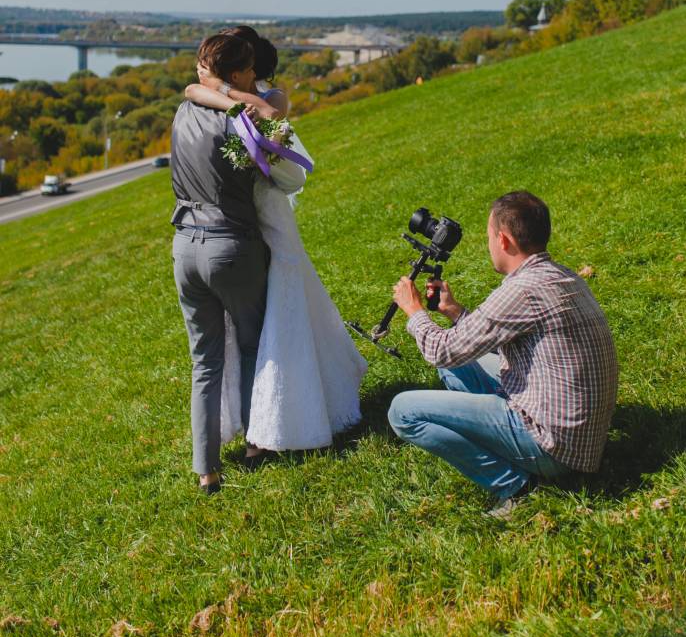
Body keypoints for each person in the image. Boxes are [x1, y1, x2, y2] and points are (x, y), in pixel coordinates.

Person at [183, 31, 367, 463]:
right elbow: (193, 88)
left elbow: (266, 111)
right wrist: (219, 89)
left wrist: (224, 88)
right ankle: (250, 422)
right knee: (244, 328)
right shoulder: (220, 101)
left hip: (267, 216)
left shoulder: (273, 98)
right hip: (238, 220)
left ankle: (280, 418)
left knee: (279, 315)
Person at [388, 191, 619, 519]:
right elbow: (501, 340)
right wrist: (454, 312)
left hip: (555, 448)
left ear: (504, 239)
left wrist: (413, 311)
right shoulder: (559, 274)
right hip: (580, 435)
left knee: (402, 412)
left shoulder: (519, 290)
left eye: (488, 238)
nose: (489, 246)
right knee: (456, 368)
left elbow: (441, 350)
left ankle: (516, 487)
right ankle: (501, 437)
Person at [171, 31, 306, 495]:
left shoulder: (184, 110)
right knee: (251, 344)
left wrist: (218, 86)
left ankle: (206, 470)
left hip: (183, 246)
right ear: (234, 76)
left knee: (204, 362)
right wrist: (243, 98)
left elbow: (196, 89)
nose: (257, 78)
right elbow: (273, 119)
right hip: (230, 245)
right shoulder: (242, 123)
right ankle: (255, 442)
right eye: (249, 71)